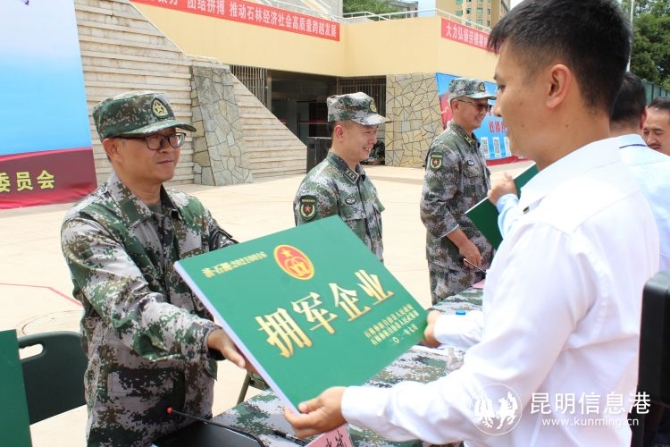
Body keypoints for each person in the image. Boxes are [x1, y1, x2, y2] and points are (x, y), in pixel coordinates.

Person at [284, 1, 660, 445]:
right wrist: (442, 328)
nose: (496, 109)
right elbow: (533, 327)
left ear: (555, 85)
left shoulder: (557, 227)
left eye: (502, 87)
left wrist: (351, 404)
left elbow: (485, 401)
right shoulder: (617, 191)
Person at [61, 91, 249, 446]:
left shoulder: (191, 211)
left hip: (194, 401)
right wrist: (214, 337)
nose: (169, 149)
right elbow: (136, 310)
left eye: (173, 137)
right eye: (153, 139)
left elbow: (237, 265)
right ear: (113, 148)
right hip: (129, 414)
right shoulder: (88, 224)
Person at [420, 77, 495, 304]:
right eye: (478, 105)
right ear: (456, 105)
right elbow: (431, 208)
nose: (484, 112)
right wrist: (464, 244)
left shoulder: (472, 144)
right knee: (452, 319)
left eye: (487, 106)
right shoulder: (446, 147)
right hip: (454, 262)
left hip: (477, 258)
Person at [293, 92, 387, 262]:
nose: (373, 140)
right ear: (340, 133)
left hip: (370, 277)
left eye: (375, 132)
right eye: (367, 132)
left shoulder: (362, 179)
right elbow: (315, 258)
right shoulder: (319, 187)